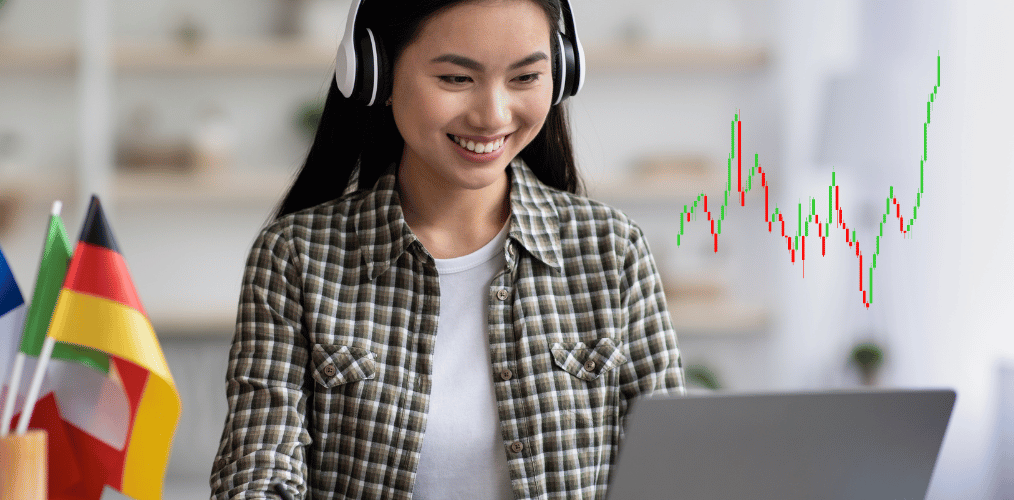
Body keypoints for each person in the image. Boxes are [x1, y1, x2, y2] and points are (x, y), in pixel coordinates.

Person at [210, 0, 684, 498]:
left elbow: (676, 472)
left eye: (524, 79)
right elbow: (258, 473)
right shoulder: (296, 257)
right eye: (457, 79)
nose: (493, 115)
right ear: (377, 74)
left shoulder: (613, 251)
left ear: (561, 74)